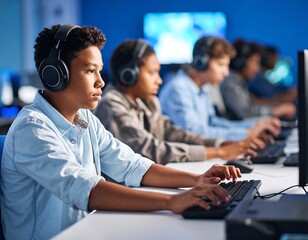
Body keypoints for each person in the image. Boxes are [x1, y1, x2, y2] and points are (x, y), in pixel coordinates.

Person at [0, 24, 242, 240]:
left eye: (99, 70)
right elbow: (86, 188)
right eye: (89, 71)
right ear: (55, 75)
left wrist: (196, 180)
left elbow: (130, 164)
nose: (100, 81)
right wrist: (172, 201)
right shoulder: (32, 130)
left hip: (87, 230)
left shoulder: (85, 119)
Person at [94, 39, 266, 165]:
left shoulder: (147, 101)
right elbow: (151, 149)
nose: (159, 81)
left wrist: (220, 143)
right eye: (152, 73)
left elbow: (172, 133)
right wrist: (218, 152)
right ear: (129, 74)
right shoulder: (111, 104)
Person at [158, 36, 281, 141]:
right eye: (221, 65)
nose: (226, 73)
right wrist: (245, 134)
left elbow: (213, 122)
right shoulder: (179, 89)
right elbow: (193, 132)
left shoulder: (201, 88)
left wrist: (253, 126)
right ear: (201, 63)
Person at [220, 39, 296, 121]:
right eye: (255, 62)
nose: (257, 68)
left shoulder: (239, 81)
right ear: (241, 62)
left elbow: (251, 104)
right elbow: (245, 112)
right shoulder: (231, 81)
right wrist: (275, 111)